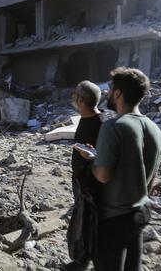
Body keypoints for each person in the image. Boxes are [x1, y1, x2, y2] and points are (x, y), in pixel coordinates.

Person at [75, 67, 161, 271]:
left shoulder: (114, 126)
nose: (107, 94)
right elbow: (149, 179)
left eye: (110, 90)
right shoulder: (154, 129)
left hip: (113, 220)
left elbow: (103, 175)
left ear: (118, 94)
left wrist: (91, 160)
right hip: (140, 212)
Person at [65, 81, 104, 270]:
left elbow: (105, 158)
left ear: (81, 99)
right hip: (80, 180)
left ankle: (89, 261)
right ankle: (81, 260)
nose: (73, 98)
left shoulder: (102, 124)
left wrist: (90, 157)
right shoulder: (85, 119)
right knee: (82, 221)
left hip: (92, 183)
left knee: (90, 223)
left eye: (75, 95)